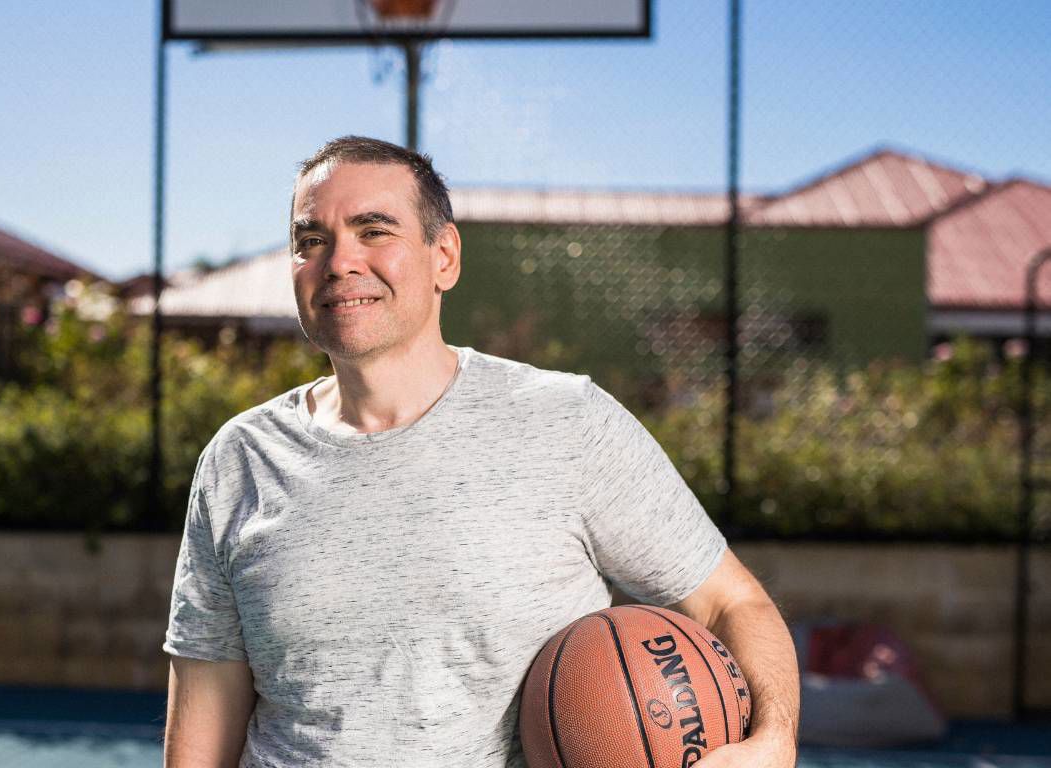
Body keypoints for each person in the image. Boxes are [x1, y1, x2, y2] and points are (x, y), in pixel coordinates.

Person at [162, 136, 799, 767]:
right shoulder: (238, 460)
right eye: (311, 240)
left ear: (445, 257)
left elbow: (730, 602)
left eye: (374, 230)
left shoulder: (565, 421)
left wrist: (772, 743)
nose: (338, 263)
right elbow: (203, 723)